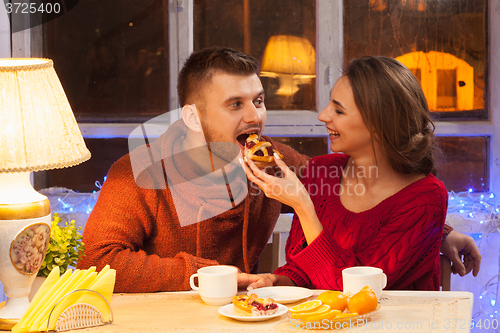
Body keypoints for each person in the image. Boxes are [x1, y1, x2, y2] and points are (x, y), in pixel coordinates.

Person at [78, 48, 479, 293]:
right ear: (193, 118)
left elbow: (363, 193)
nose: (255, 116)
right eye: (235, 105)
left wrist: (437, 232)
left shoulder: (272, 161)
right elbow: (96, 262)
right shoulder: (136, 172)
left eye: (259, 100)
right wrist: (212, 273)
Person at [239, 56, 480, 292]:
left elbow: (360, 291)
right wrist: (277, 280)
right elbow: (303, 270)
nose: (323, 115)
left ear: (379, 124)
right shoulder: (322, 172)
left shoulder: (427, 197)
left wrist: (303, 205)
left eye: (339, 110)